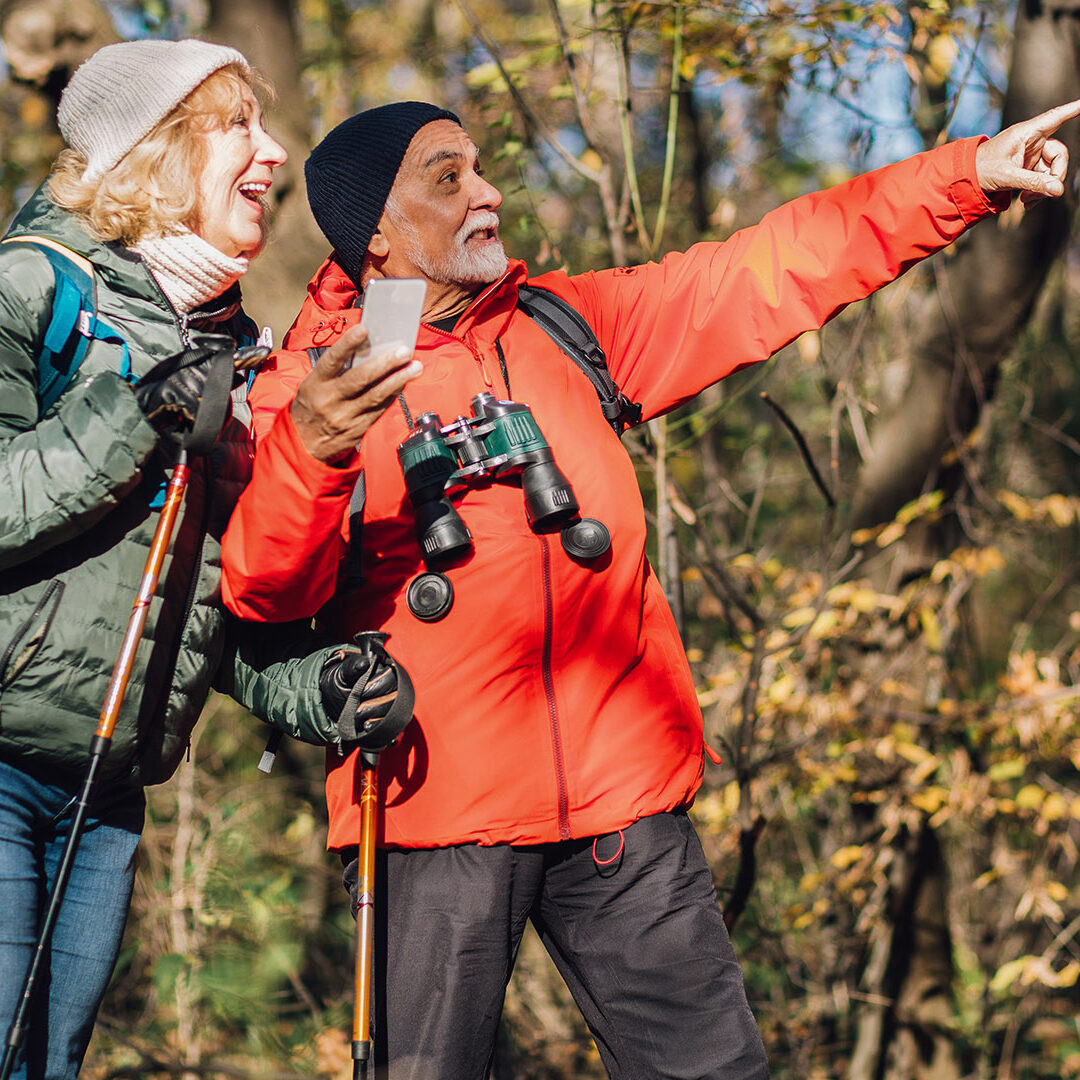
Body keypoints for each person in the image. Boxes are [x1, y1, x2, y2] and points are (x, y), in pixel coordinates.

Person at [219, 97, 1080, 1078]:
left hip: (623, 807)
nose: (489, 193)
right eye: (448, 178)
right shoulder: (310, 388)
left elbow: (771, 269)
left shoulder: (568, 328)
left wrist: (966, 174)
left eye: (480, 168)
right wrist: (318, 447)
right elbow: (262, 593)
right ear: (375, 230)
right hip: (431, 817)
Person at [0, 39, 407, 1080]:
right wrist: (132, 412)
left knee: (49, 1062)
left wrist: (321, 688)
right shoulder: (31, 290)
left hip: (110, 790)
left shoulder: (242, 352)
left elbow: (215, 595)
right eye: (238, 126)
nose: (271, 152)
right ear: (153, 152)